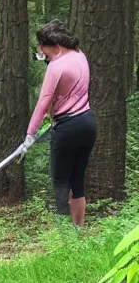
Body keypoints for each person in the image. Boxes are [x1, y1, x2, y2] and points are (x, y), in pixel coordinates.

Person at [22, 20, 97, 227]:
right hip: (87, 123)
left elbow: (43, 102)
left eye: (42, 47)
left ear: (55, 46)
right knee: (77, 183)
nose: (40, 51)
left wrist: (30, 134)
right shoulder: (80, 55)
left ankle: (64, 234)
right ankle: (78, 233)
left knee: (60, 182)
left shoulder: (56, 66)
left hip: (67, 128)